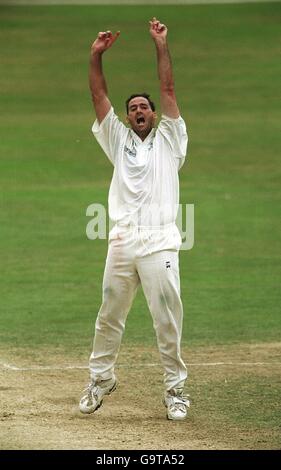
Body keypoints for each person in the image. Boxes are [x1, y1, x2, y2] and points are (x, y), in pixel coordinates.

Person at [79, 17, 189, 421]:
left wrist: (161, 43)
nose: (138, 110)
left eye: (144, 107)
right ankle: (100, 379)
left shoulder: (171, 139)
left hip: (160, 242)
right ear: (127, 118)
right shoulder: (118, 140)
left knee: (166, 319)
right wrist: (95, 55)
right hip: (123, 241)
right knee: (109, 314)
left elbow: (169, 88)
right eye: (132, 109)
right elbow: (97, 94)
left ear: (155, 114)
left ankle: (175, 390)